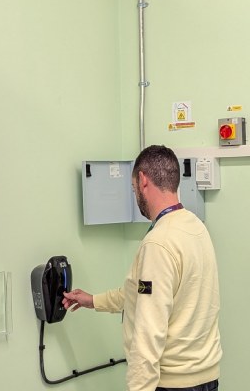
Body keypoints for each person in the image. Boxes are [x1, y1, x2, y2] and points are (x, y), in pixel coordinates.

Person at [63, 145, 222, 391]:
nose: (135, 192)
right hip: (204, 377)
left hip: (172, 383)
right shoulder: (195, 227)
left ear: (142, 180)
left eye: (133, 187)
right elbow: (143, 294)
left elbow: (149, 330)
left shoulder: (159, 242)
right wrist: (92, 300)